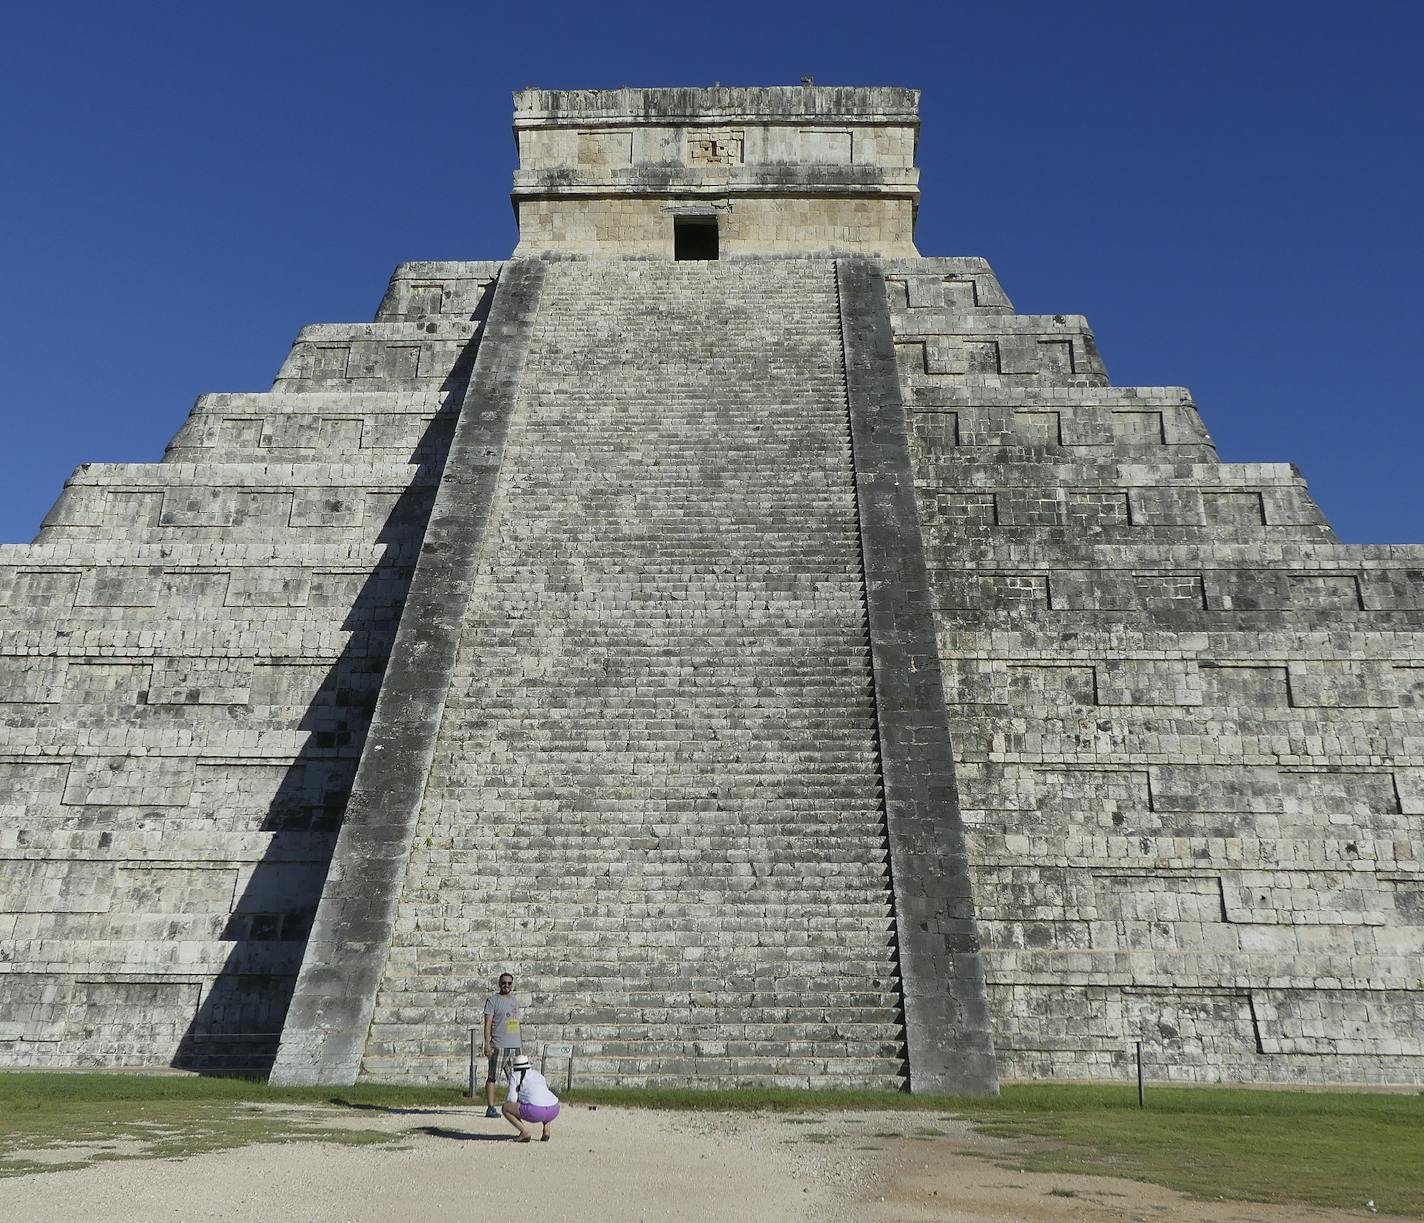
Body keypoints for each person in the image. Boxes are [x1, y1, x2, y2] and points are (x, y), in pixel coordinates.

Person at [482, 972, 521, 1118]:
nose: (507, 985)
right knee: (493, 1076)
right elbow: (487, 1023)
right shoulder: (492, 1001)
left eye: (509, 983)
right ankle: (491, 1107)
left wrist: (520, 1044)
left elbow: (517, 1023)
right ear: (499, 984)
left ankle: (514, 1106)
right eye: (504, 983)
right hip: (498, 1045)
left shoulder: (514, 1001)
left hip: (514, 1046)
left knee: (516, 1078)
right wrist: (487, 1043)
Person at [502, 1053, 560, 1142]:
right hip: (554, 1109)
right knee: (544, 1100)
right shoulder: (538, 1074)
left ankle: (524, 1132)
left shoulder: (515, 1075)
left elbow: (511, 1099)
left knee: (506, 1108)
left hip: (536, 1111)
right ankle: (546, 1130)